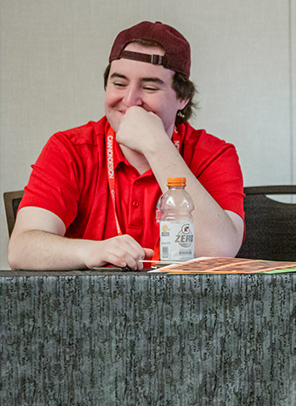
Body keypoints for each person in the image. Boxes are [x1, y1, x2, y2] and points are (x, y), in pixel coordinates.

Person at [8, 21, 244, 271]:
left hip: (181, 296)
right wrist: (92, 250)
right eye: (119, 84)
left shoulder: (214, 154)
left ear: (183, 98)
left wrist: (156, 145)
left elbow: (219, 251)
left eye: (150, 87)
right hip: (93, 296)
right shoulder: (69, 148)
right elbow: (21, 250)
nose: (130, 100)